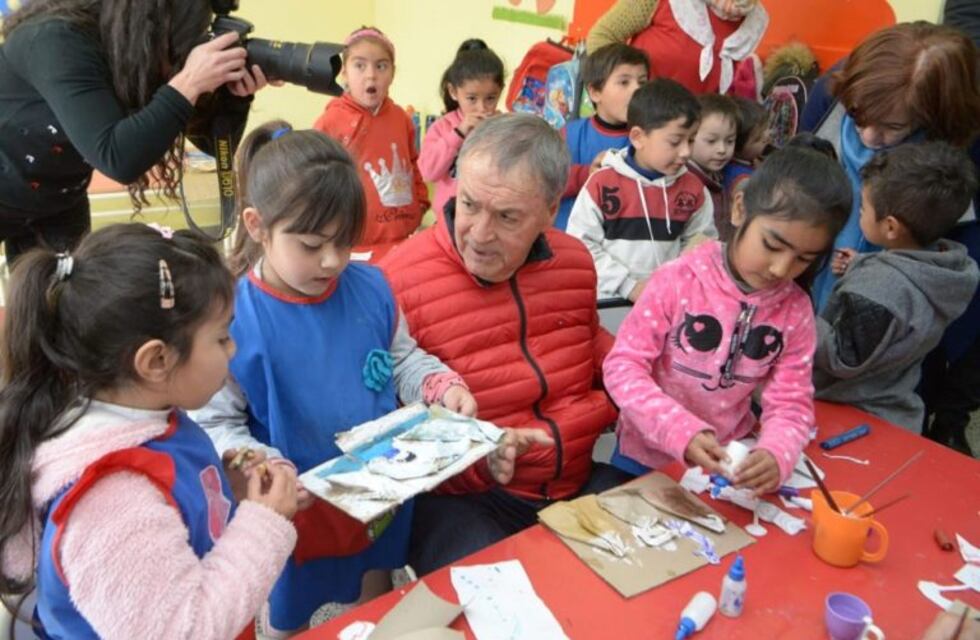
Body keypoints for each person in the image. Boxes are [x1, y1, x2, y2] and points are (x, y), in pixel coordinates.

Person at [191, 121, 486, 637]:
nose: (332, 261)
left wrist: (441, 386)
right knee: (292, 615)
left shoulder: (371, 288)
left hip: (381, 497)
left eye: (345, 242)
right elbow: (215, 422)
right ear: (258, 225)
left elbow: (402, 360)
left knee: (377, 599)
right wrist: (262, 466)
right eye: (310, 245)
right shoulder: (235, 317)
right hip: (297, 509)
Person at [0, 224, 299, 639]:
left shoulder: (145, 412)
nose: (233, 350)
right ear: (155, 360)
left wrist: (220, 488)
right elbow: (185, 630)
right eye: (223, 337)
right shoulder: (111, 505)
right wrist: (263, 523)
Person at [380, 113, 627, 575]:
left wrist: (644, 377)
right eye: (470, 205)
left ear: (551, 210)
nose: (479, 233)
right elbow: (388, 412)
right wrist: (481, 454)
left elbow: (588, 339)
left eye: (507, 216)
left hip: (576, 475)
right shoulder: (399, 279)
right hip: (466, 498)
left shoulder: (573, 261)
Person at [603, 147, 851, 490]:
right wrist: (679, 430)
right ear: (739, 208)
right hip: (644, 459)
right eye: (772, 245)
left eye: (803, 259)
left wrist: (777, 452)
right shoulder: (677, 280)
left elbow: (791, 402)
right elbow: (623, 368)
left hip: (725, 469)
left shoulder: (795, 309)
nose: (781, 269)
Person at [0, 0, 269, 262]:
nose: (176, 60)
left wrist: (234, 99)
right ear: (150, 27)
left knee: (65, 305)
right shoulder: (55, 40)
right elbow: (117, 158)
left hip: (58, 200)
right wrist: (188, 82)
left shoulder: (129, 53)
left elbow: (210, 146)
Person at [800, 22, 980, 310]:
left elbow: (965, 262)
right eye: (857, 115)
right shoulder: (835, 89)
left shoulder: (963, 143)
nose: (869, 137)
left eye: (893, 126)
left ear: (936, 115)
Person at [813, 142, 980, 433]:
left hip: (851, 414)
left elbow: (842, 357)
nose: (860, 212)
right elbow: (907, 288)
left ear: (890, 227)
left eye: (864, 207)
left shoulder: (880, 288)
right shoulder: (948, 268)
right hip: (897, 409)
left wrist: (799, 314)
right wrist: (863, 264)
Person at [566, 79, 716, 301]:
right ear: (637, 137)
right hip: (607, 305)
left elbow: (703, 244)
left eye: (691, 140)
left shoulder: (694, 190)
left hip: (669, 303)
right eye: (675, 142)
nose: (685, 152)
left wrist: (674, 284)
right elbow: (580, 246)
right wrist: (629, 286)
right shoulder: (601, 184)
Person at [313, 27, 428, 262]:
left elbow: (413, 164)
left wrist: (421, 202)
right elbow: (316, 181)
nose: (371, 75)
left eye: (381, 66)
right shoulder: (330, 122)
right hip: (354, 245)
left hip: (402, 239)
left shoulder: (401, 118)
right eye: (359, 65)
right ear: (344, 71)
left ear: (393, 73)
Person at [585, 0, 767, 99]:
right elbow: (602, 37)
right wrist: (623, 98)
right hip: (633, 124)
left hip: (692, 144)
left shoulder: (755, 21)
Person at [554, 43, 649, 231]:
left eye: (642, 82)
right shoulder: (570, 134)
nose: (637, 90)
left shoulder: (650, 138)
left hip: (622, 243)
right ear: (595, 92)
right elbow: (546, 183)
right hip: (569, 239)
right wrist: (587, 173)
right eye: (624, 82)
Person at [418, 39, 504, 221]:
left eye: (490, 98)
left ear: (500, 91)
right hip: (447, 221)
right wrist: (459, 133)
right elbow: (427, 172)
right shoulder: (442, 128)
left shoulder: (504, 127)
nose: (482, 107)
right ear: (453, 92)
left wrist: (500, 134)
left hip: (487, 221)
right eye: (472, 98)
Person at [687, 93, 739, 241]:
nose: (722, 149)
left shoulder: (719, 175)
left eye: (730, 141)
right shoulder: (686, 181)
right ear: (690, 136)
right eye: (711, 141)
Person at [722, 96, 769, 193]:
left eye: (766, 129)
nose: (767, 137)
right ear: (735, 147)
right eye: (757, 139)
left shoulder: (750, 160)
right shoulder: (744, 182)